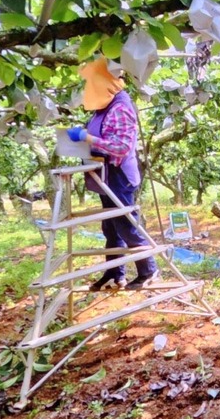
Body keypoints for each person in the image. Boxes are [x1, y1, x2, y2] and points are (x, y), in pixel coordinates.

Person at [67, 57, 159, 291]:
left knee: (126, 224)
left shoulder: (120, 107)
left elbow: (120, 147)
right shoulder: (104, 107)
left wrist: (87, 138)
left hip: (118, 176)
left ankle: (148, 270)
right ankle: (115, 273)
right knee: (110, 227)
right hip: (104, 175)